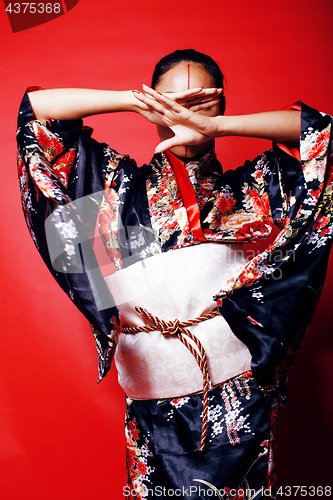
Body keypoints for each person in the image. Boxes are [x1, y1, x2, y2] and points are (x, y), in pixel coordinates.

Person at [17, 49, 333, 499]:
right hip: (153, 396)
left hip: (238, 396)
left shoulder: (254, 189)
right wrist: (132, 100)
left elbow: (324, 137)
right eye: (169, 102)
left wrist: (219, 127)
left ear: (222, 106)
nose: (184, 114)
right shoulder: (117, 189)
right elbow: (37, 115)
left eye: (201, 103)